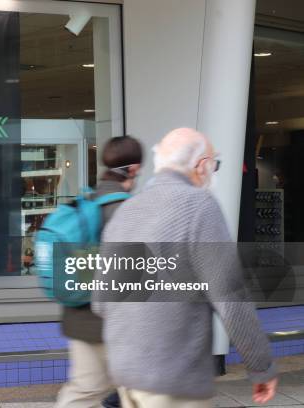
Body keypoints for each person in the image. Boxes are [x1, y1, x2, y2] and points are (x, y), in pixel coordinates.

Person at [94, 128, 277, 408]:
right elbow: (230, 296)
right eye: (214, 164)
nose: (213, 172)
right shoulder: (198, 206)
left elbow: (101, 301)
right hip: (173, 380)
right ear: (202, 165)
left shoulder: (128, 210)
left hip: (126, 377)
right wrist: (260, 366)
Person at [56, 136, 142, 408]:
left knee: (83, 392)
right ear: (135, 169)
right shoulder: (125, 209)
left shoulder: (86, 201)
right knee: (139, 393)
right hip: (113, 323)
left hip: (78, 317)